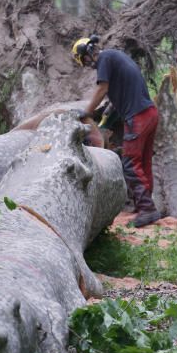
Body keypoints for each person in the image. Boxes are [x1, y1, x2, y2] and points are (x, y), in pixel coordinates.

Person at [71, 35, 161, 228]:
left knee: (129, 162)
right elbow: (114, 98)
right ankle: (145, 206)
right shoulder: (116, 57)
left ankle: (147, 209)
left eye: (85, 61)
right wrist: (100, 117)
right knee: (143, 162)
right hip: (150, 113)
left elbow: (103, 88)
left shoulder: (105, 58)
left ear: (87, 55)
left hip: (138, 117)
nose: (88, 65)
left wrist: (86, 112)